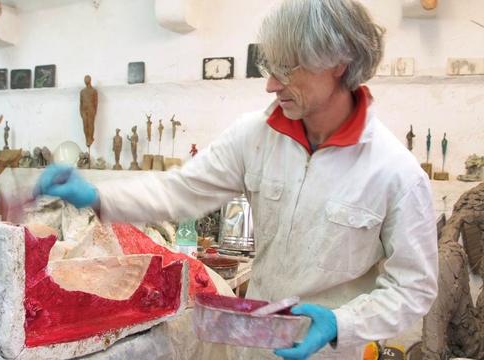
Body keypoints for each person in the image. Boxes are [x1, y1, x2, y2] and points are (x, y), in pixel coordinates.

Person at [35, 0, 438, 358]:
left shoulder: (395, 173)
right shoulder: (256, 136)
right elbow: (182, 192)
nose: (271, 84)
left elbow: (413, 288)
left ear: (339, 63)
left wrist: (340, 324)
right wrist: (97, 196)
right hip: (254, 344)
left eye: (287, 68)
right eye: (269, 67)